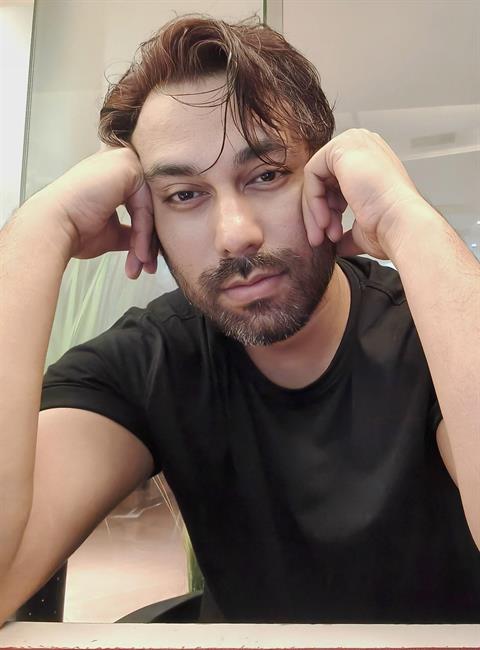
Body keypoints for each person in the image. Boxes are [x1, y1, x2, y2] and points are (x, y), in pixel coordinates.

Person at [0, 15, 479, 625]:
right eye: (184, 195)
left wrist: (408, 221)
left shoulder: (431, 335)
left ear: (328, 181)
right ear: (149, 217)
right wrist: (43, 227)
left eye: (267, 175)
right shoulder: (152, 361)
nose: (235, 235)